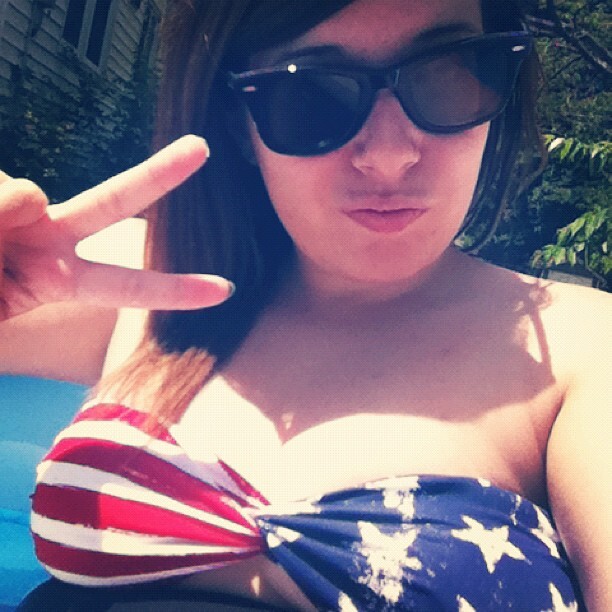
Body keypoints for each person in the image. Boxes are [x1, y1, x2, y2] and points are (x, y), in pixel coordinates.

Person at [2, 0, 609, 609]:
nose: (389, 154)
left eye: (447, 74)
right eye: (311, 94)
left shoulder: (580, 347)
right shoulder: (138, 277)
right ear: (239, 123)